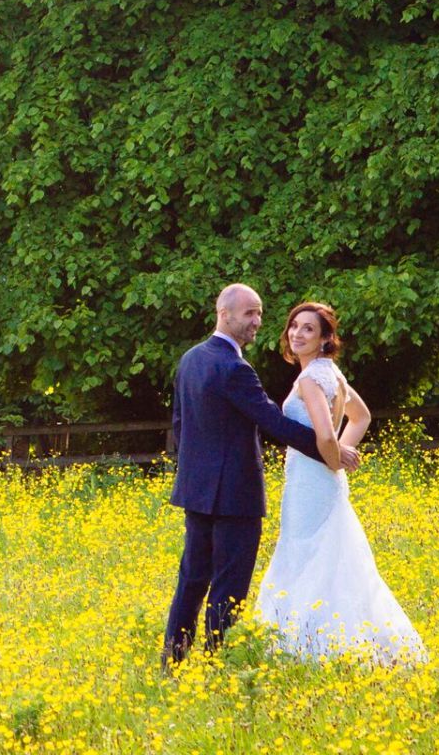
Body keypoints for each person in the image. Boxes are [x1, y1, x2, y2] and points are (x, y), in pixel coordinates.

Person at [161, 284, 361, 668]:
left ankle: (173, 664)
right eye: (250, 313)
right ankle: (219, 666)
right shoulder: (234, 368)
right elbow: (273, 422)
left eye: (260, 314)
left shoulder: (190, 359)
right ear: (225, 313)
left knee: (191, 581)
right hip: (235, 496)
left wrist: (193, 477)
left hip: (197, 492)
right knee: (229, 588)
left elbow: (181, 426)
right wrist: (332, 453)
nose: (257, 322)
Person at [253, 301, 426, 664]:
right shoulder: (331, 373)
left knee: (307, 555)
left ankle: (307, 648)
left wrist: (336, 457)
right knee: (331, 555)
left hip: (311, 482)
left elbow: (326, 436)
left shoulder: (308, 379)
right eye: (294, 326)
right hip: (322, 480)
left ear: (325, 338)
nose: (297, 334)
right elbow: (360, 417)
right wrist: (342, 456)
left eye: (308, 329)